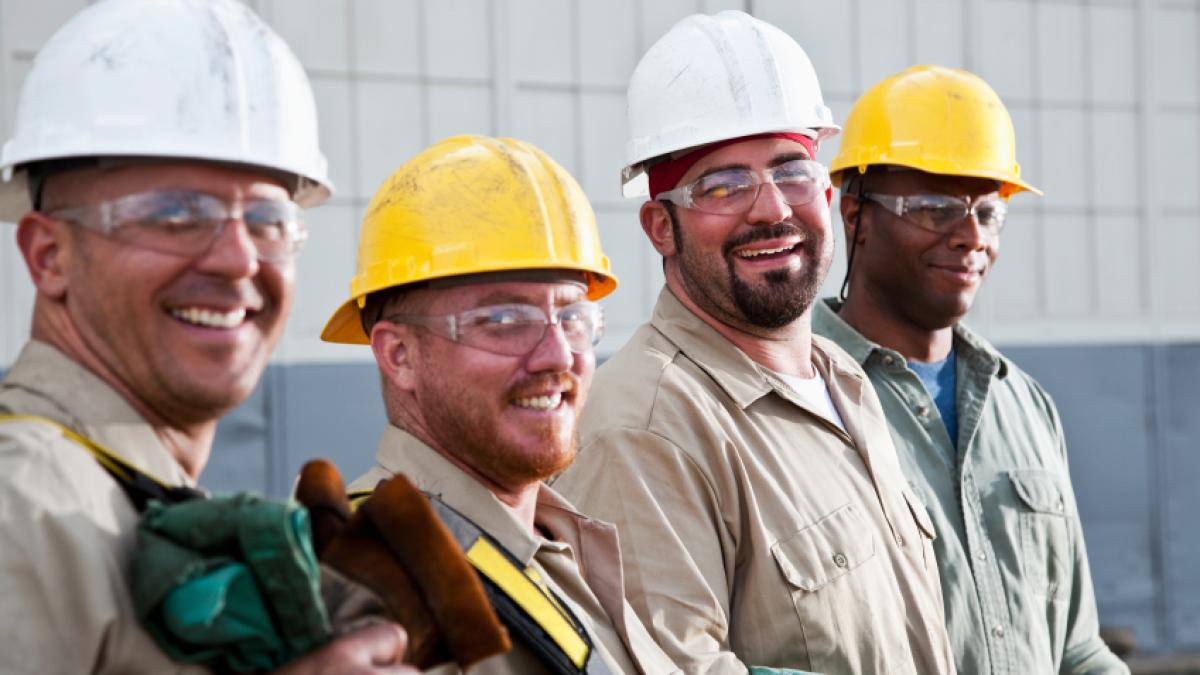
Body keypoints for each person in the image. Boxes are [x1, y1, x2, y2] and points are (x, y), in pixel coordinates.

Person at [0, 0, 413, 672]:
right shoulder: (25, 509)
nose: (239, 258)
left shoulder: (121, 494)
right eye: (175, 212)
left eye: (267, 217)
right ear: (50, 256)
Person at [553, 12, 955, 675]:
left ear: (826, 194)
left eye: (791, 170)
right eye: (723, 184)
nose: (770, 209)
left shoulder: (846, 380)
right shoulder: (646, 430)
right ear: (660, 225)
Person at [322, 134, 681, 675]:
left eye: (572, 317)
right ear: (399, 355)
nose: (558, 355)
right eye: (505, 320)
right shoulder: (374, 588)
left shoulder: (553, 539)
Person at [813, 64, 1128, 674]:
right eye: (935, 208)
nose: (970, 236)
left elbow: (1076, 647)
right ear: (855, 215)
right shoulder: (798, 398)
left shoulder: (1025, 406)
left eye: (988, 211)